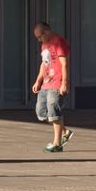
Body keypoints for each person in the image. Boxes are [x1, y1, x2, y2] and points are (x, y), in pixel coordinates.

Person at [31, 21, 73, 153]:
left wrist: (64, 83)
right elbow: (44, 64)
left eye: (39, 36)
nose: (38, 40)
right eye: (37, 37)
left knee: (54, 113)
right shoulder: (44, 45)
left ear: (47, 31)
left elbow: (64, 63)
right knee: (41, 112)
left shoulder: (58, 42)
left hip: (56, 83)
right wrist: (38, 80)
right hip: (46, 83)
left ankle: (57, 144)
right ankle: (65, 132)